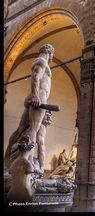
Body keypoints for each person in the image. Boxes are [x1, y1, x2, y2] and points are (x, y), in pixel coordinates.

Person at [4, 44, 55, 172]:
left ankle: (6, 163)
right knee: (33, 129)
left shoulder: (43, 63)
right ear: (50, 53)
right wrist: (35, 96)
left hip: (37, 97)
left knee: (21, 129)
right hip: (39, 98)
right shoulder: (42, 61)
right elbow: (35, 77)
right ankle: (28, 161)